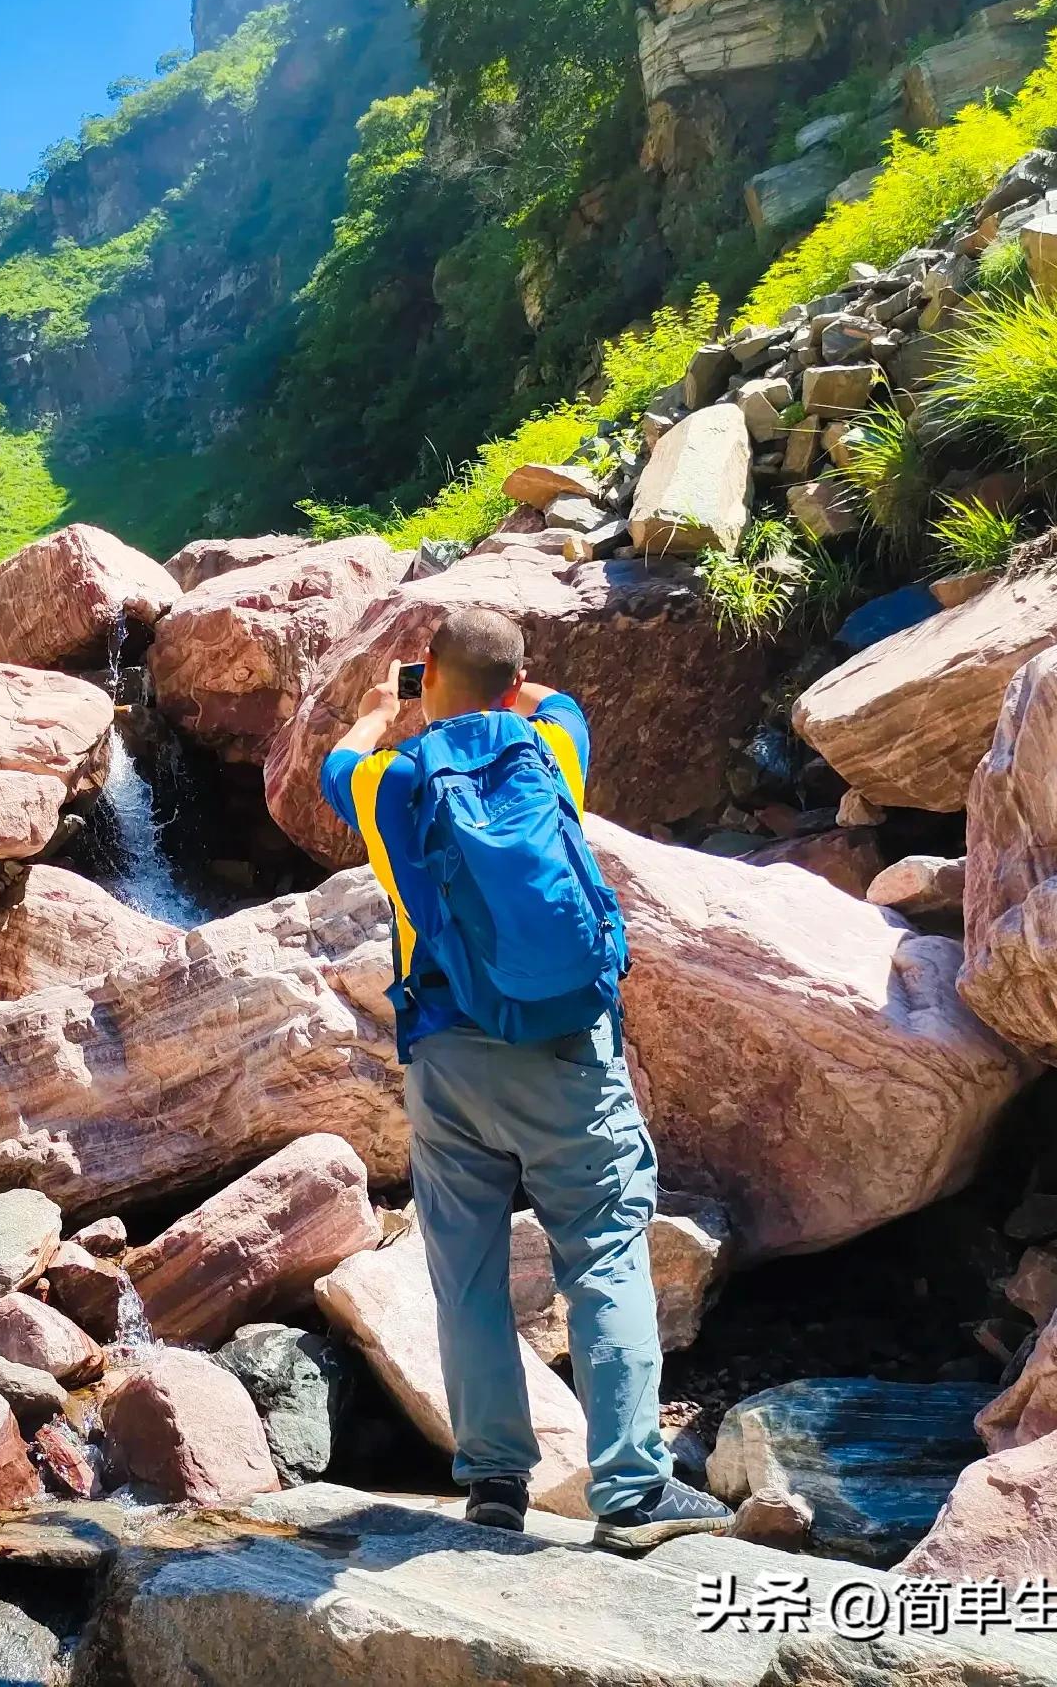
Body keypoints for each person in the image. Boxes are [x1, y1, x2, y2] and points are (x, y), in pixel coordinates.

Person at [318, 603, 733, 1553]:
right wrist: (501, 682)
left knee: (464, 1267)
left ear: (428, 673)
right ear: (514, 686)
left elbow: (336, 761)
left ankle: (496, 1480)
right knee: (605, 1249)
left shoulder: (385, 782)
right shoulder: (553, 750)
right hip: (566, 1050)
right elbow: (559, 698)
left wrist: (392, 705)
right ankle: (630, 1488)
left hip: (449, 1059)